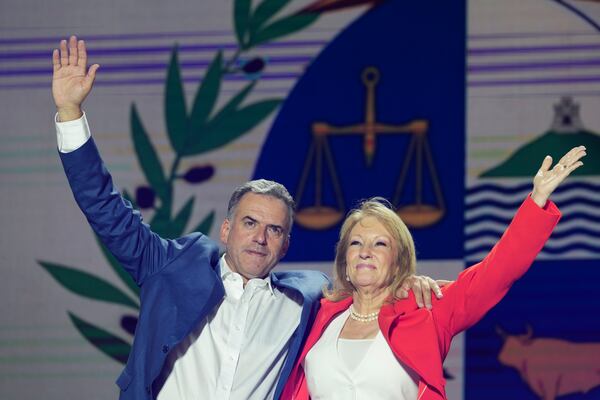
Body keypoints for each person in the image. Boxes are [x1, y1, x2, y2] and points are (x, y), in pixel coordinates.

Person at [51, 36, 443, 400]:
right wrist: (70, 113)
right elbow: (104, 207)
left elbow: (367, 293)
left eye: (274, 230)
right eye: (250, 223)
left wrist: (409, 283)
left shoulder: (307, 299)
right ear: (226, 229)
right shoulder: (170, 267)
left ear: (286, 245)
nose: (260, 237)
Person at [281, 147, 586, 399]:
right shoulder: (319, 315)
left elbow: (496, 273)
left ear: (399, 260)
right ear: (345, 258)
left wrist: (536, 202)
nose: (365, 251)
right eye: (356, 243)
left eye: (380, 244)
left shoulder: (427, 309)